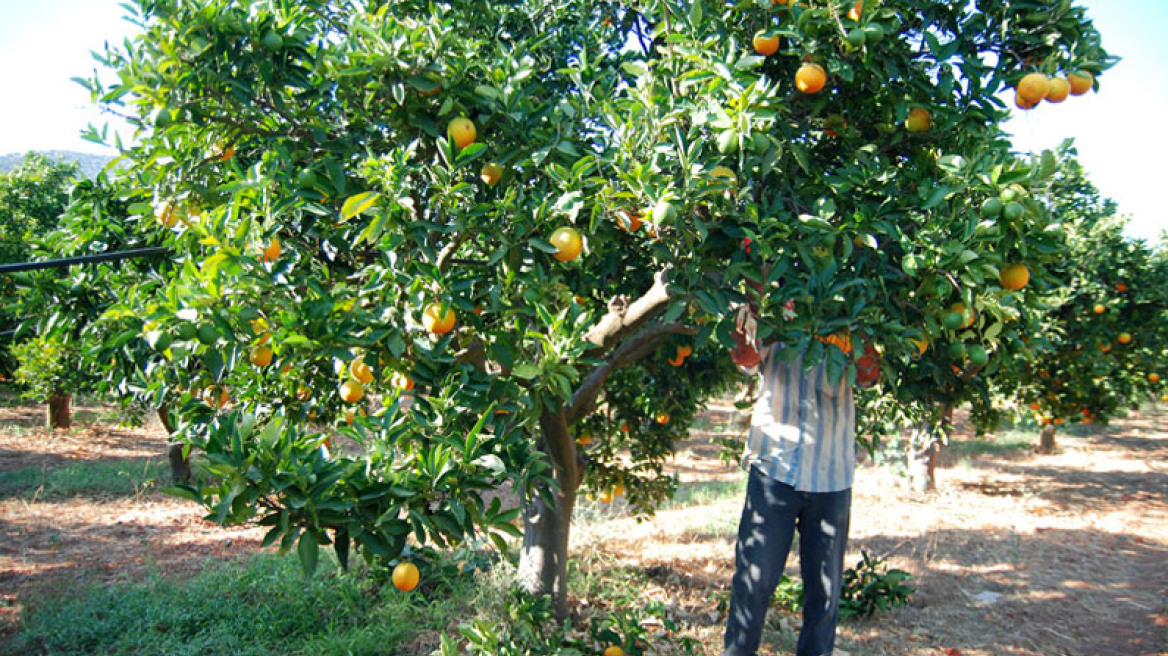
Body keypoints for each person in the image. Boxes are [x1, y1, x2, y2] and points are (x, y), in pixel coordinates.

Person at [723, 307, 879, 656]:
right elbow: (746, 360)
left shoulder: (851, 309)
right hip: (773, 466)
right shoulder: (766, 304)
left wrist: (850, 332)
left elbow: (869, 375)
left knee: (824, 592)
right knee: (754, 581)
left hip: (831, 471)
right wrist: (744, 320)